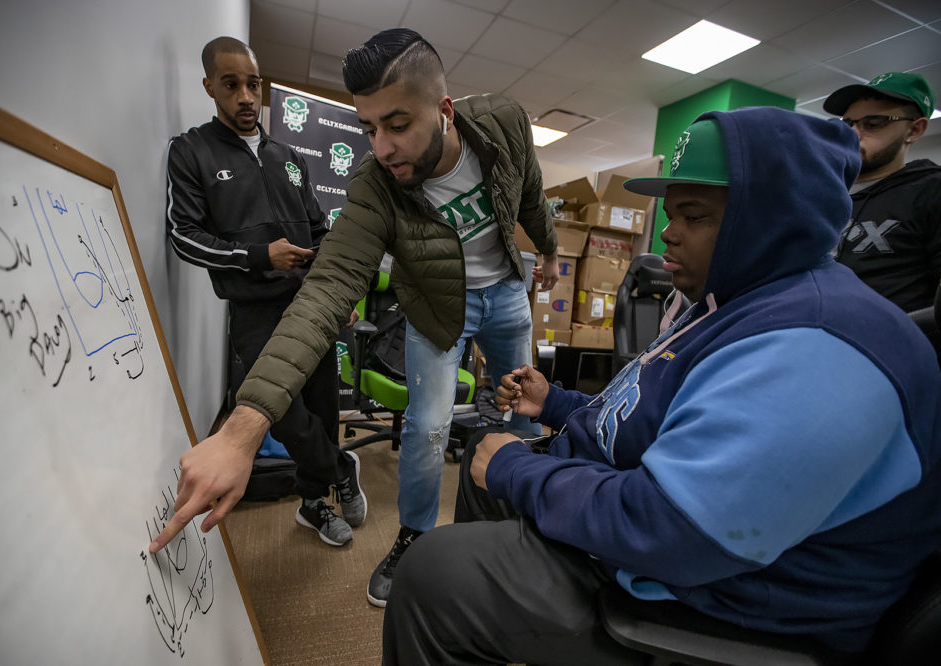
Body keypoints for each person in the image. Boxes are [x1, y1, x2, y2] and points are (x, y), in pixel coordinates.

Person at [380, 107, 941, 664]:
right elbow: (657, 417)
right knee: (487, 470)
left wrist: (519, 469)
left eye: (693, 216)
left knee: (436, 574)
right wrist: (557, 403)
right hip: (679, 541)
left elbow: (671, 528)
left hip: (724, 599)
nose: (667, 235)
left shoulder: (819, 345)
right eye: (671, 214)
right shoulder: (734, 300)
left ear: (770, 216)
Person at [150, 28, 560, 607]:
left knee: (523, 412)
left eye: (397, 125)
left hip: (509, 294)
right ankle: (414, 536)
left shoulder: (501, 122)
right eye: (369, 128)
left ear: (443, 111)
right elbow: (323, 292)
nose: (383, 146)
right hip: (438, 309)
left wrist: (547, 252)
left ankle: (522, 526)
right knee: (426, 430)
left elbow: (530, 195)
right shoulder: (375, 185)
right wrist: (242, 432)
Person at [164, 36, 365, 548]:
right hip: (254, 310)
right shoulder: (192, 151)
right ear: (210, 86)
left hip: (312, 303)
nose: (246, 96)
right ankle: (342, 467)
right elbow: (185, 237)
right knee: (284, 416)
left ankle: (313, 505)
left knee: (323, 407)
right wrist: (258, 256)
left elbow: (320, 232)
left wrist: (339, 295)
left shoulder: (287, 154)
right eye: (231, 85)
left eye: (253, 84)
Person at [822, 72, 940, 315]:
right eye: (848, 124)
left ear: (915, 130)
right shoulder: (822, 193)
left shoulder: (930, 190)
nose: (853, 135)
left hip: (882, 344)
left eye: (873, 124)